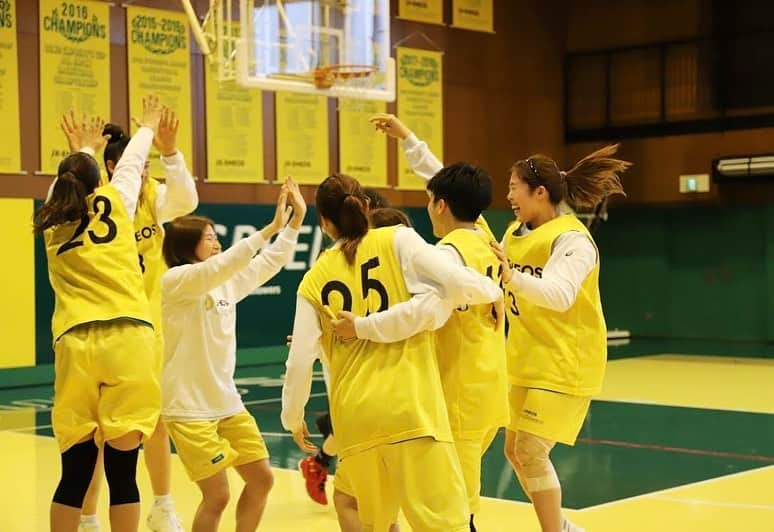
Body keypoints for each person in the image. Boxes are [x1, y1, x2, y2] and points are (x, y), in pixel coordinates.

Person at [281, 173, 503, 531]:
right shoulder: (398, 239)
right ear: (367, 207)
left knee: (366, 517)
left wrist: (291, 418)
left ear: (323, 222)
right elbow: (458, 283)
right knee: (447, 525)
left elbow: (299, 361)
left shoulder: (313, 279)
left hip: (355, 420)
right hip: (411, 408)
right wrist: (494, 290)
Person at [60, 108, 197, 532]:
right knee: (104, 439)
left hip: (133, 326)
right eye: (145, 164)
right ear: (114, 168)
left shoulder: (148, 197)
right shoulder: (111, 200)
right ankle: (88, 515)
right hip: (125, 329)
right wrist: (148, 129)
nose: (147, 172)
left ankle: (162, 505)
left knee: (147, 426)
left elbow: (188, 199)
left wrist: (170, 152)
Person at [36, 96, 164, 532]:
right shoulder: (118, 202)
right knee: (123, 474)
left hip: (75, 342)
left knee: (73, 475)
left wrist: (81, 152)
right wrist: (145, 127)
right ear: (98, 183)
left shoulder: (50, 220)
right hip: (129, 337)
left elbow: (67, 184)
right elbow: (128, 168)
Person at [490, 145, 630, 532]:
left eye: (515, 186)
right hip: (526, 357)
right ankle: (564, 528)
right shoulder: (514, 233)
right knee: (515, 451)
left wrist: (510, 278)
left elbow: (559, 295)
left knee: (531, 450)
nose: (508, 195)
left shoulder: (574, 240)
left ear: (539, 192)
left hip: (566, 361)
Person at [160, 178, 305, 532]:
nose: (216, 242)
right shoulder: (176, 281)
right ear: (186, 244)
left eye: (215, 236)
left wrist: (295, 221)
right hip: (188, 409)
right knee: (218, 496)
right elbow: (219, 266)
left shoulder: (225, 283)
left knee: (261, 479)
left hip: (226, 403)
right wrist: (269, 228)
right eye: (209, 237)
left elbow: (268, 263)